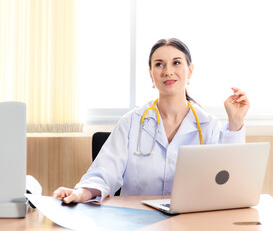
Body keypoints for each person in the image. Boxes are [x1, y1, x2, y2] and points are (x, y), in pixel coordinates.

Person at [53, 38, 250, 203]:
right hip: (138, 222)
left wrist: (235, 121)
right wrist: (79, 193)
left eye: (176, 62)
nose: (167, 71)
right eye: (159, 64)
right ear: (151, 74)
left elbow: (228, 182)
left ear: (190, 71)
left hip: (190, 222)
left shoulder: (209, 126)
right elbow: (104, 173)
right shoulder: (131, 122)